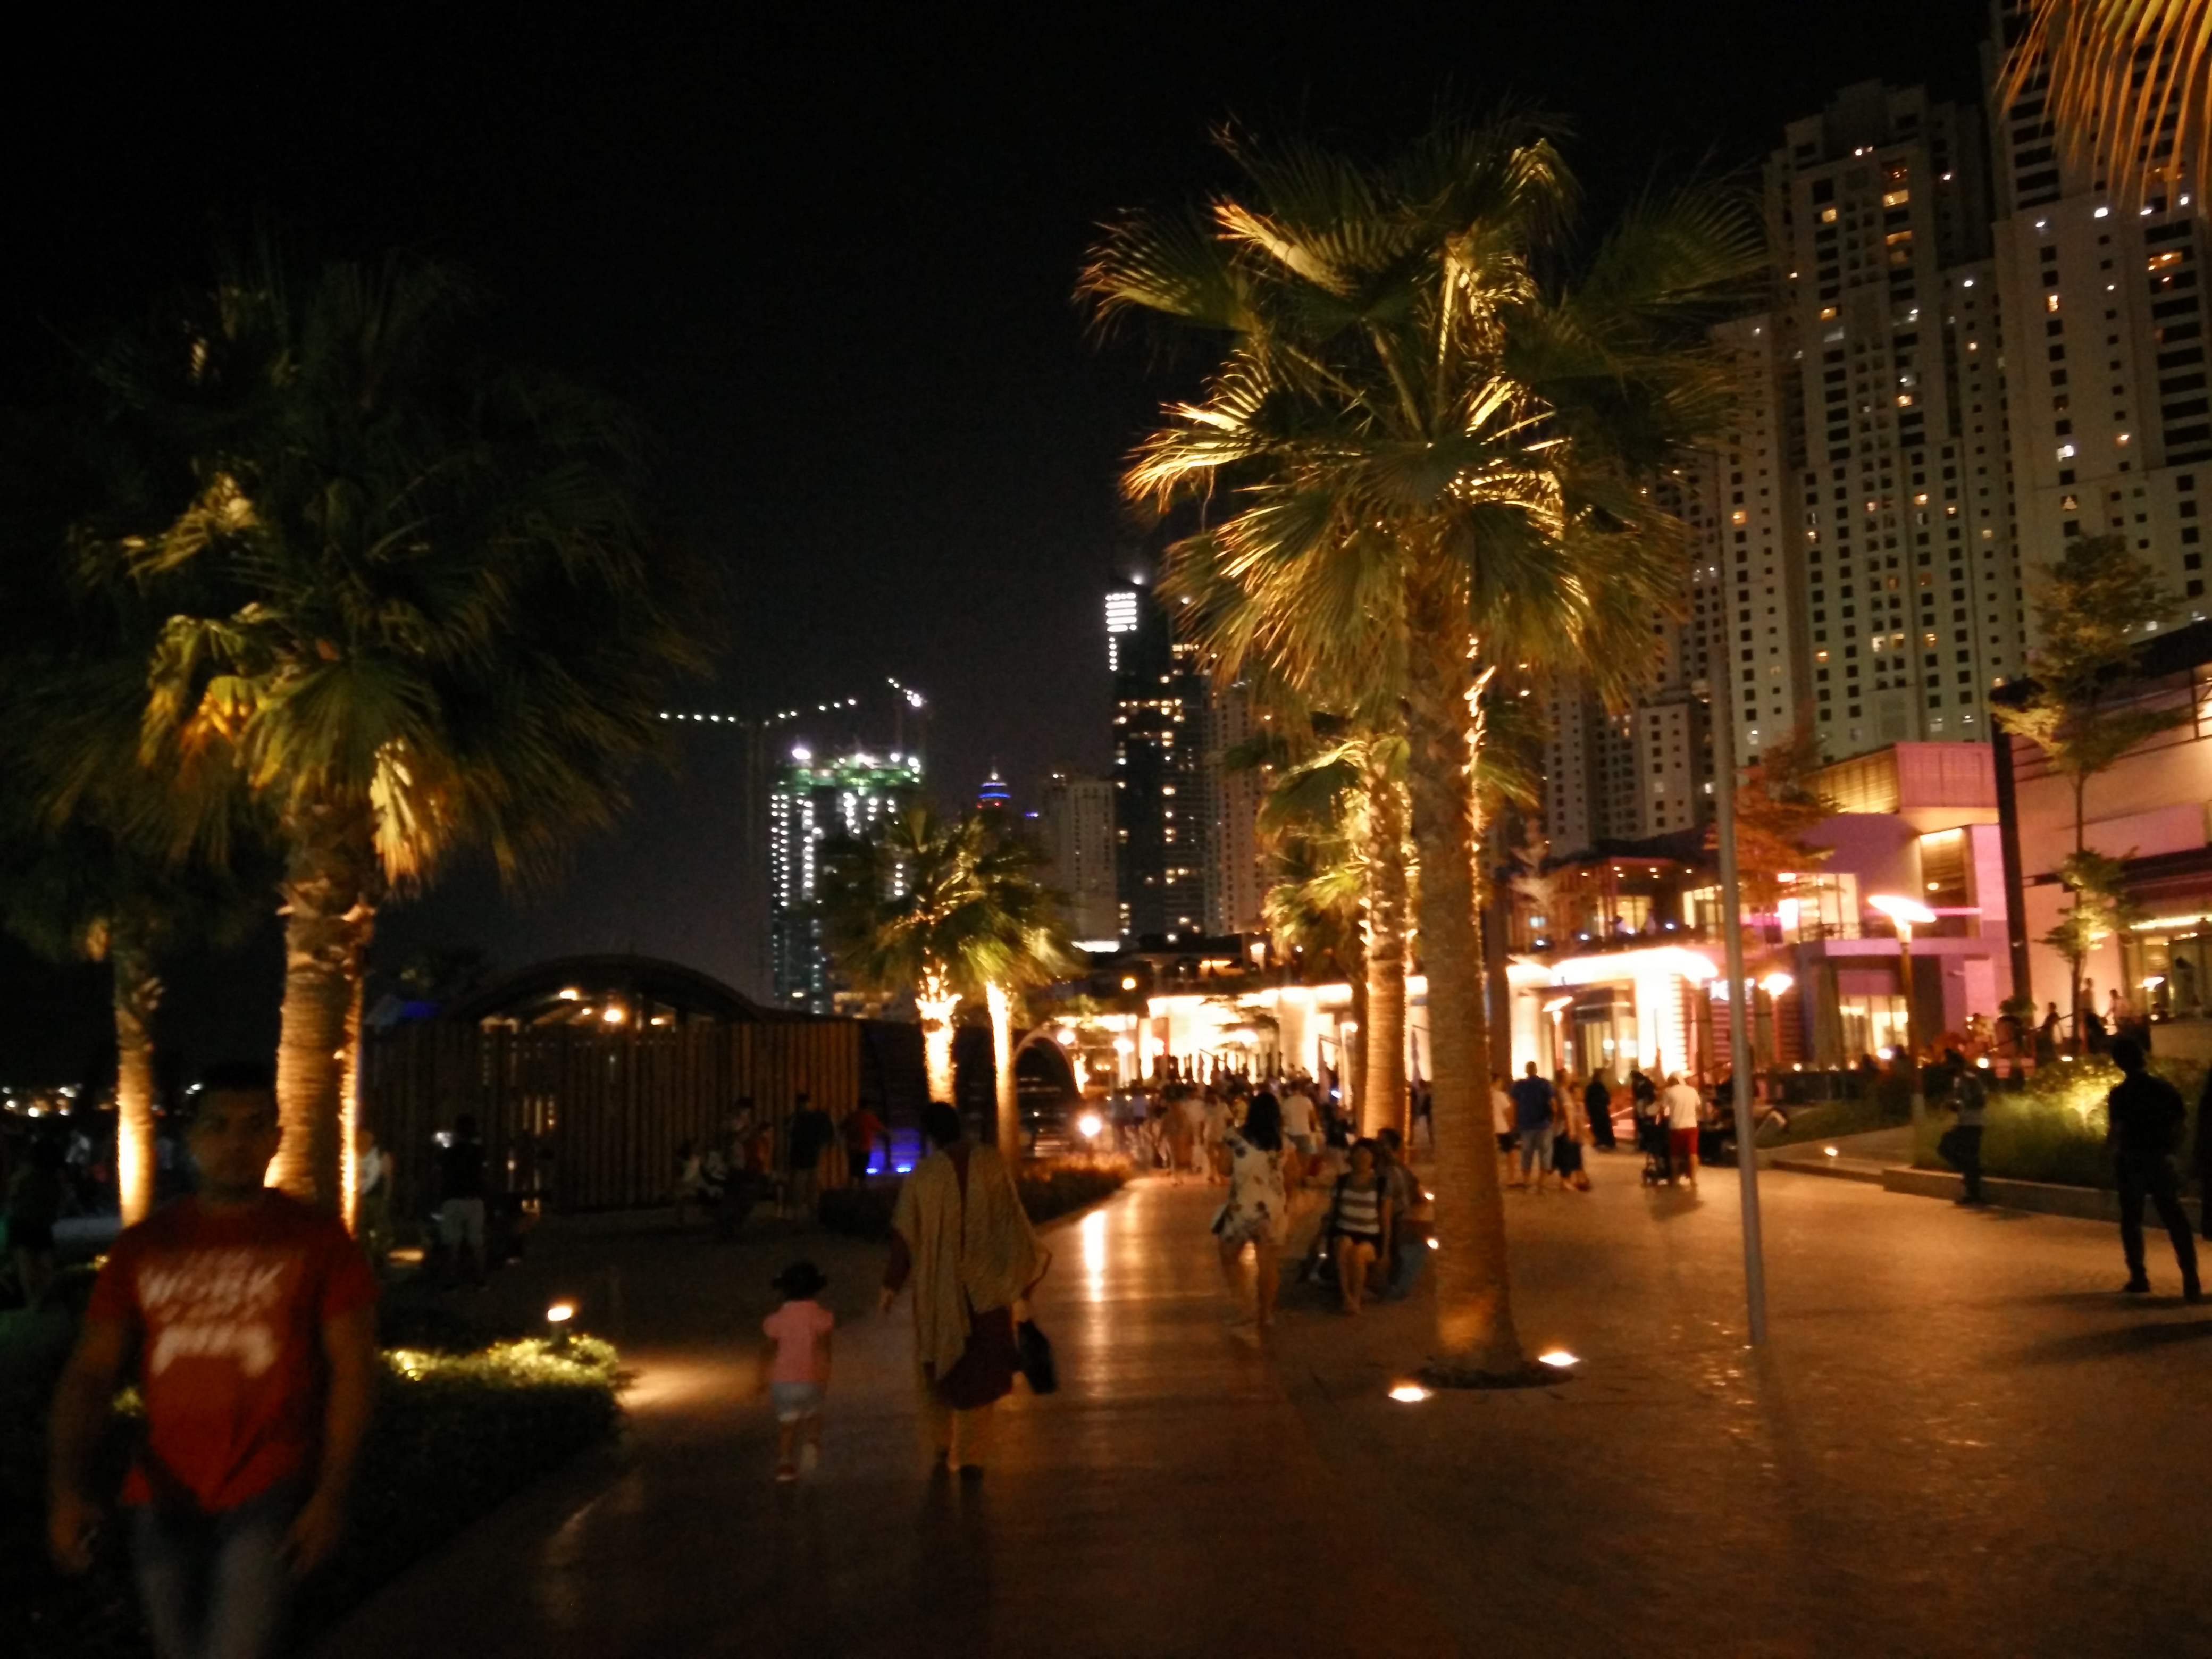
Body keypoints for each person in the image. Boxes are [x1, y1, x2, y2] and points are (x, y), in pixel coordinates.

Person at [47, 1062, 380, 1659]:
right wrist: (67, 1488)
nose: (236, 1142)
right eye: (218, 1126)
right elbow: (91, 1371)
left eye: (254, 1127)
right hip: (160, 1491)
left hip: (269, 1489)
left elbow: (353, 1370)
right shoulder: (145, 1247)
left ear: (277, 1138)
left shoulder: (318, 1241)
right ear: (191, 1137)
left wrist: (332, 1494)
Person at [879, 1102, 1048, 1479]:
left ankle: (940, 1442)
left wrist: (891, 1285)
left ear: (930, 1135)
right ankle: (972, 1456)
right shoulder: (991, 1163)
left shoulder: (923, 1176)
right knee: (980, 1372)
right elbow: (1012, 1224)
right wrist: (1019, 1287)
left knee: (937, 1364)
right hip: (987, 1289)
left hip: (937, 1290)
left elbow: (905, 1236)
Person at [2104, 1037, 2201, 1300]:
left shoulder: (2120, 1094)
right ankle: (2190, 1277)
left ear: (2119, 1063)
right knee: (2174, 1217)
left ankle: (2139, 1275)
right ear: (2143, 1058)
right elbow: (2181, 1125)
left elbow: (2117, 1132)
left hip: (2132, 1160)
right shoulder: (2164, 1089)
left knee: (2132, 1219)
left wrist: (2108, 1160)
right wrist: (2173, 1151)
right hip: (2160, 1158)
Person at [1213, 1091, 1293, 1328]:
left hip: (1244, 1205)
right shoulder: (1283, 1142)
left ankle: (1245, 1307)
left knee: (1228, 1255)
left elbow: (1224, 1168)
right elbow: (1293, 1175)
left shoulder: (1234, 1137)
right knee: (1268, 1263)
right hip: (1273, 1207)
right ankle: (1267, 1314)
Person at [760, 1260, 834, 1482]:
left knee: (787, 1427)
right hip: (810, 1379)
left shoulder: (777, 1320)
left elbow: (768, 1351)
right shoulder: (821, 1317)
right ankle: (812, 1441)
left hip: (782, 1383)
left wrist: (760, 1377)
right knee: (814, 1414)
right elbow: (824, 1350)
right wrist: (825, 1375)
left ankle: (785, 1465)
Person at [1322, 1139, 1393, 1314]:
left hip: (1370, 1235)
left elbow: (1385, 1219)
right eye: (1358, 1154)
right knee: (1343, 1245)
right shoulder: (1342, 1182)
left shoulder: (1380, 1184)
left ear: (1373, 1159)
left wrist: (1385, 1250)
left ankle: (1356, 1297)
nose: (1361, 1158)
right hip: (1344, 1230)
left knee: (1358, 1253)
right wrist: (1322, 1237)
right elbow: (1332, 1213)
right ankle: (1347, 1297)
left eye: (1366, 1154)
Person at [8, 1134, 65, 1308]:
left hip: (25, 1222)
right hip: (37, 1223)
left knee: (28, 1264)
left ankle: (33, 1301)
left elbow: (13, 1195)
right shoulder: (52, 1177)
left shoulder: (28, 1174)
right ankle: (40, 1300)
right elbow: (58, 1201)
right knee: (42, 1265)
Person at [437, 1115, 489, 1287]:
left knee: (452, 1243)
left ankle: (451, 1281)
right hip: (474, 1198)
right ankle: (481, 1279)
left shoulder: (449, 1152)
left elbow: (441, 1170)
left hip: (453, 1198)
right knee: (477, 1241)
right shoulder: (478, 1152)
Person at [1939, 1055, 1989, 1207]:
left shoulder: (1971, 1080)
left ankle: (1973, 1191)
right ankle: (1973, 1176)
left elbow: (1980, 1101)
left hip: (1973, 1123)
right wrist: (1954, 1104)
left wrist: (1962, 1103)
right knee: (1948, 1149)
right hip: (1964, 1122)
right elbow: (1959, 1101)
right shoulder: (1958, 1081)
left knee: (1965, 1154)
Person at [786, 1093, 835, 1222]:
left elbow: (789, 1133)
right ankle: (805, 1212)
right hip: (806, 1155)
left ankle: (805, 1212)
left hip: (804, 1156)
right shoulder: (812, 1118)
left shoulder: (800, 1118)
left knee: (804, 1184)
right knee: (805, 1184)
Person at [1510, 1062, 1556, 1192]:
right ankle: (1542, 1183)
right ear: (1536, 1070)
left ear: (1526, 1071)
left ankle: (1526, 1181)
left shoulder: (1520, 1086)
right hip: (1543, 1123)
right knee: (1545, 1153)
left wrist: (1513, 1121)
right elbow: (1553, 1103)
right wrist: (1553, 1119)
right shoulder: (1544, 1084)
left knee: (1526, 1153)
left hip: (1526, 1123)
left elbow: (1514, 1104)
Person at [354, 1126, 393, 1273]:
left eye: (367, 1136)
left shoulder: (380, 1155)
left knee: (381, 1234)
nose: (363, 1139)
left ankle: (381, 1264)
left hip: (376, 1199)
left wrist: (386, 1198)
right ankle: (368, 1265)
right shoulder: (351, 1155)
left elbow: (388, 1178)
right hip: (358, 1200)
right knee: (362, 1234)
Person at [1661, 1072, 1703, 1189]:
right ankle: (1693, 1179)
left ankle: (1675, 1177)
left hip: (1676, 1126)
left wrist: (1663, 1119)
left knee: (1675, 1154)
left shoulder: (1669, 1092)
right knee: (1693, 1153)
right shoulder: (1692, 1091)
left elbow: (1662, 1109)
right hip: (1692, 1126)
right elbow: (1699, 1108)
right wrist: (1697, 1118)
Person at [841, 1103, 886, 1187]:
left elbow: (842, 1127)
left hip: (852, 1147)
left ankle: (853, 1187)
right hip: (865, 1146)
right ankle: (861, 1188)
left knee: (853, 1168)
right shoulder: (869, 1117)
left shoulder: (852, 1116)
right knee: (862, 1168)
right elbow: (880, 1128)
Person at [1279, 1078, 1319, 1167]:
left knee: (1293, 1162)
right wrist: (1314, 1130)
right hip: (1304, 1132)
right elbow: (1313, 1118)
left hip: (1291, 1134)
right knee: (1305, 1159)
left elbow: (1282, 1120)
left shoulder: (1286, 1103)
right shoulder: (1307, 1101)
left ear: (1290, 1089)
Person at [1490, 1074, 1518, 1185]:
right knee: (1511, 1152)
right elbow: (1508, 1111)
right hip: (1501, 1127)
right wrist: (1511, 1122)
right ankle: (1512, 1177)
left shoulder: (1484, 1095)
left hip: (1490, 1128)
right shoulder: (1500, 1095)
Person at [1583, 1072, 1615, 1151]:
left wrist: (1588, 1110)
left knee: (1597, 1126)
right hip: (1601, 1110)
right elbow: (1606, 1097)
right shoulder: (1600, 1087)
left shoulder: (1590, 1087)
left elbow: (1587, 1100)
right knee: (1604, 1125)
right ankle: (1607, 1141)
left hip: (1594, 1110)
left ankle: (1600, 1141)